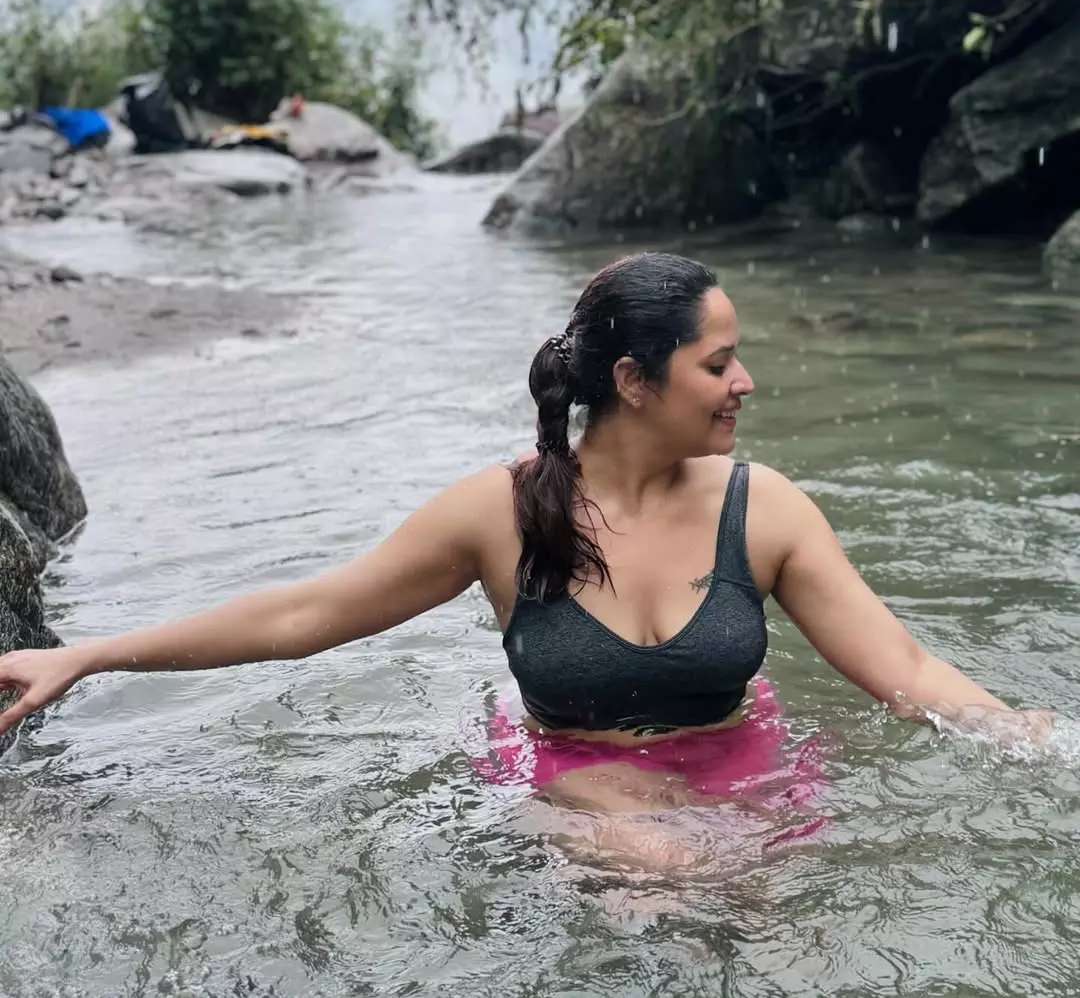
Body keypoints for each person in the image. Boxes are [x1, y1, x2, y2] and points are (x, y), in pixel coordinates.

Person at [0, 253, 1052, 844]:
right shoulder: (496, 515)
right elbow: (303, 617)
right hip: (575, 773)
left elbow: (904, 671)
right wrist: (88, 654)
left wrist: (1041, 743)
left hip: (742, 762)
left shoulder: (764, 509)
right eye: (719, 362)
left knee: (782, 930)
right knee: (655, 869)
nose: (746, 384)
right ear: (636, 382)